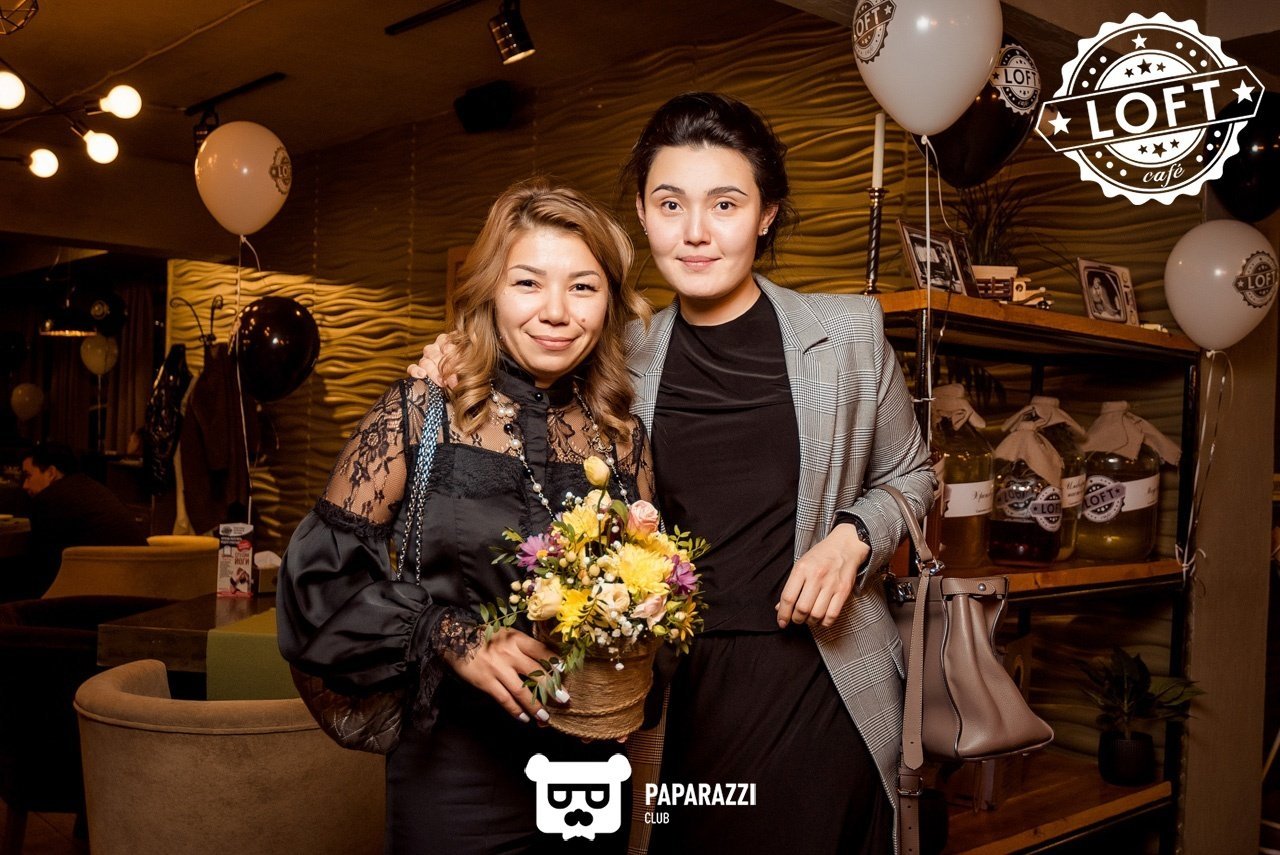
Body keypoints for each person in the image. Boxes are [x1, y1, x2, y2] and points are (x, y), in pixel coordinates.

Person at [414, 93, 934, 854]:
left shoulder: (848, 332)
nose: (695, 231)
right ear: (641, 212)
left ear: (766, 214)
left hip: (823, 682)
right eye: (669, 204)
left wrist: (854, 537)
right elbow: (523, 367)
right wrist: (454, 357)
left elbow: (912, 474)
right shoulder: (617, 354)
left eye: (725, 204)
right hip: (677, 691)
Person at [277, 178, 654, 854]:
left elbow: (652, 589)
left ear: (610, 303)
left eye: (583, 287)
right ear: (489, 292)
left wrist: (637, 656)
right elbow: (318, 588)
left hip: (590, 770)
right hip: (453, 770)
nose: (556, 311)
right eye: (528, 283)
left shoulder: (621, 436)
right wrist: (452, 636)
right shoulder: (422, 412)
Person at [8, 442, 147, 600]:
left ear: (51, 473)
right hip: (139, 584)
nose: (25, 485)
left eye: (28, 476)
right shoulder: (90, 488)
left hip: (103, 593)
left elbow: (42, 569)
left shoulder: (49, 500)